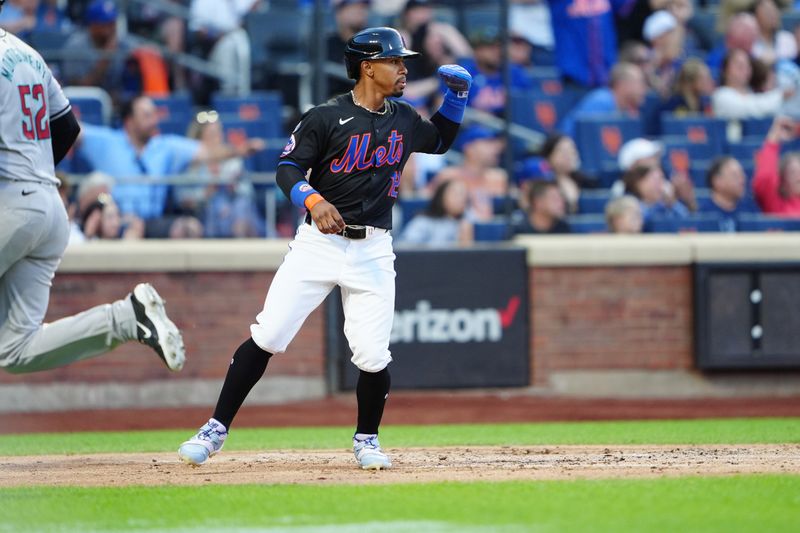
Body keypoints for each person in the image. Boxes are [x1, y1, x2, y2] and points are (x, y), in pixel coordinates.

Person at [177, 27, 471, 470]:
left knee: (372, 353)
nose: (403, 68)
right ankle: (215, 428)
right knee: (270, 333)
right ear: (368, 68)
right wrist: (312, 200)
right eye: (395, 61)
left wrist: (456, 100)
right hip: (319, 244)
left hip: (373, 246)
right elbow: (287, 167)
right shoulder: (326, 116)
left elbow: (441, 140)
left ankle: (367, 439)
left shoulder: (405, 117)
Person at [0, 0, 185, 374]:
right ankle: (126, 319)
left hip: (12, 203)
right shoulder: (28, 53)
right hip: (47, 205)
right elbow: (67, 128)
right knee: (15, 348)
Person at [75, 94, 264, 237]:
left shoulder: (164, 146)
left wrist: (240, 150)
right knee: (126, 230)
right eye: (147, 116)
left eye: (154, 115)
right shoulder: (107, 142)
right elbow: (71, 128)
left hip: (154, 221)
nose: (154, 121)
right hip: (118, 219)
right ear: (129, 121)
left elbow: (207, 152)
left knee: (190, 229)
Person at [559, 62, 648, 139]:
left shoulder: (626, 109)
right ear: (622, 84)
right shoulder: (602, 101)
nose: (644, 89)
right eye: (639, 83)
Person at [397, 179, 473, 246]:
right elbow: (404, 247)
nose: (461, 199)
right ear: (441, 196)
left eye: (464, 195)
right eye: (456, 194)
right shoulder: (423, 221)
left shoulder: (466, 223)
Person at [697, 155, 760, 231]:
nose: (742, 180)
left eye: (742, 175)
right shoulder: (704, 215)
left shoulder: (750, 209)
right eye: (735, 175)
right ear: (717, 181)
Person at [752, 115, 800, 214]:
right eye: (793, 172)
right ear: (783, 182)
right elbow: (765, 179)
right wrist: (774, 137)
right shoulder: (776, 205)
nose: (799, 175)